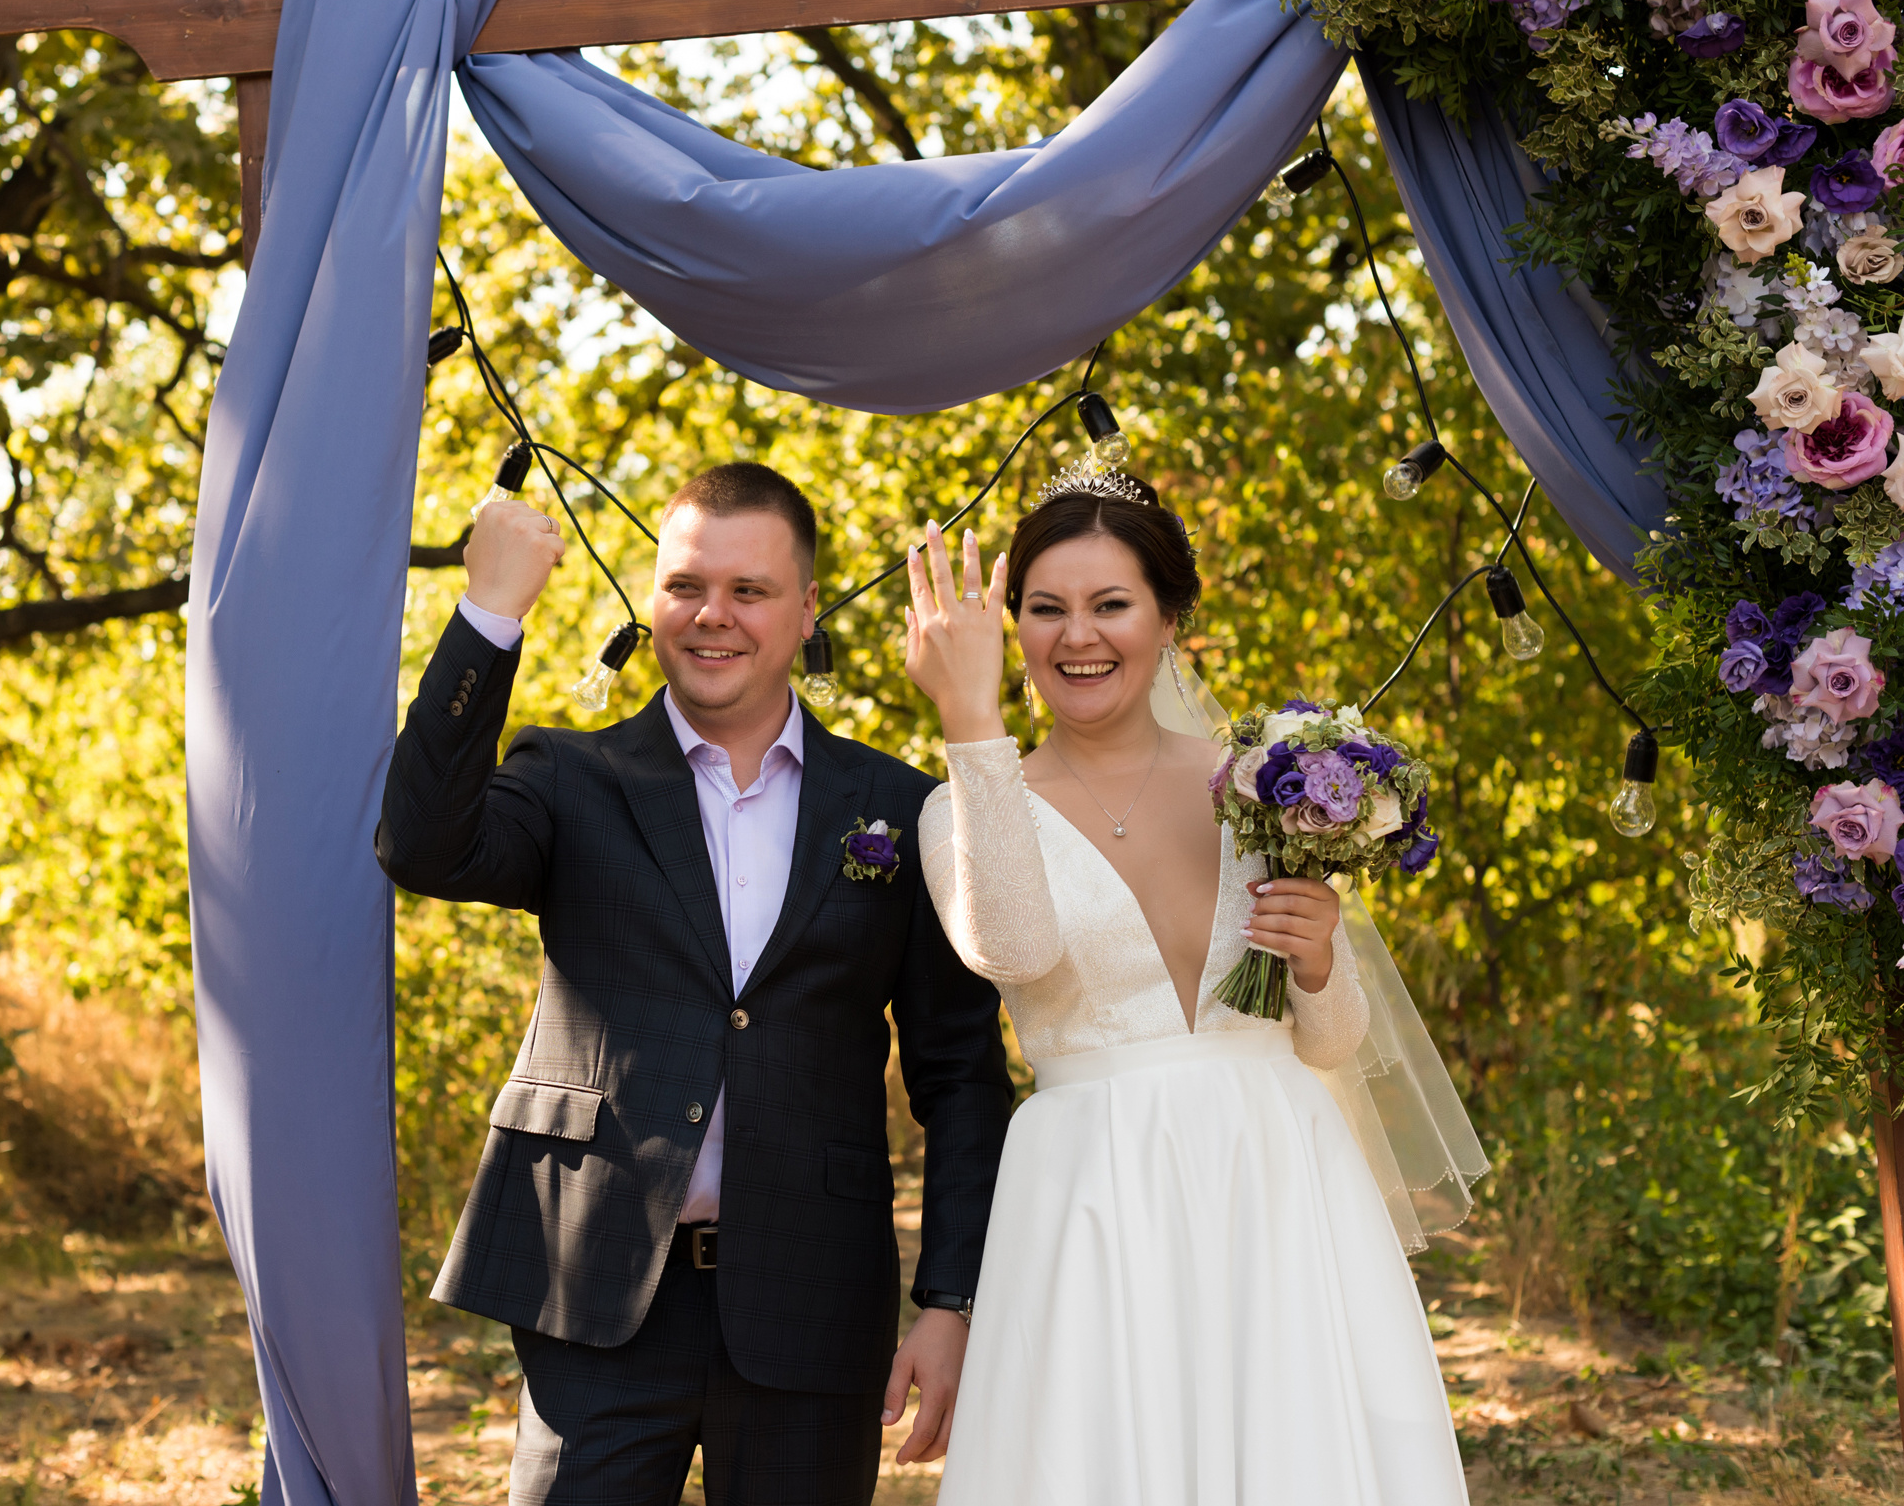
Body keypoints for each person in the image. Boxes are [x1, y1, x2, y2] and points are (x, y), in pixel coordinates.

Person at [377, 461, 1016, 1505]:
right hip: (595, 1284)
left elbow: (962, 1074)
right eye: (685, 586)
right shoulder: (572, 778)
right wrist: (487, 613)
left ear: (806, 607)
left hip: (813, 1297)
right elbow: (419, 844)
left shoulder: (900, 807)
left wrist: (950, 1299)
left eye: (749, 590)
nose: (712, 615)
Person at [901, 467, 1472, 1505]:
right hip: (1092, 1191)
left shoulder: (1263, 787)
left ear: (1168, 617)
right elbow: (1016, 949)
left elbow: (1332, 1040)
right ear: (1009, 628)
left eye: (1111, 604)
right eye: (1046, 608)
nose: (1080, 636)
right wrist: (970, 716)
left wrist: (1318, 956)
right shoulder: (968, 806)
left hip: (1274, 1169)